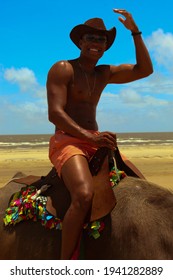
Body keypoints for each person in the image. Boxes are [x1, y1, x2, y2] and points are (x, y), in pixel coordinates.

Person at [46, 8, 153, 260]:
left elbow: (144, 70)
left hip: (94, 141)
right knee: (83, 195)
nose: (96, 44)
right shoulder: (63, 68)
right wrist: (88, 136)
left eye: (101, 40)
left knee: (141, 184)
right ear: (80, 42)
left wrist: (135, 32)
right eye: (91, 38)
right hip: (68, 142)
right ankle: (65, 266)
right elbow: (55, 113)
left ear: (106, 46)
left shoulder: (103, 73)